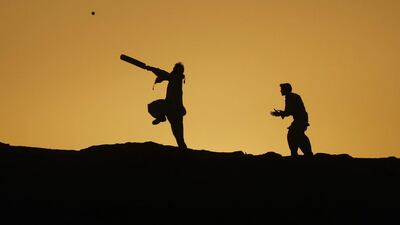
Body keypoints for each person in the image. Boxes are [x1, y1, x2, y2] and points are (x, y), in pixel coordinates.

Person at [146, 63, 187, 149]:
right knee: (152, 107)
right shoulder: (175, 78)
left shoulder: (176, 78)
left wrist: (151, 68)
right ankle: (161, 116)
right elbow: (164, 75)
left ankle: (184, 152)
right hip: (169, 107)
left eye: (174, 69)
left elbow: (163, 73)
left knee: (179, 136)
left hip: (174, 110)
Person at [271, 83, 313, 157]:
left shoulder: (290, 97)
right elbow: (289, 111)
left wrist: (280, 114)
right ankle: (302, 153)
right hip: (301, 118)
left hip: (301, 119)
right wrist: (282, 113)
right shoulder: (292, 96)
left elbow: (289, 111)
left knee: (294, 134)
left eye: (282, 89)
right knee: (296, 134)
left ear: (285, 90)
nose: (280, 91)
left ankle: (303, 153)